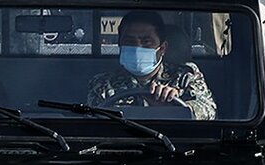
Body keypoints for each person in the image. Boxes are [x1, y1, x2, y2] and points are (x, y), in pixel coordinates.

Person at [87, 11, 217, 120]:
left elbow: (208, 110)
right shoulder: (103, 84)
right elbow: (95, 119)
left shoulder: (185, 76)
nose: (137, 47)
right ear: (120, 45)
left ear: (162, 48)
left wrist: (175, 108)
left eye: (146, 42)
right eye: (129, 41)